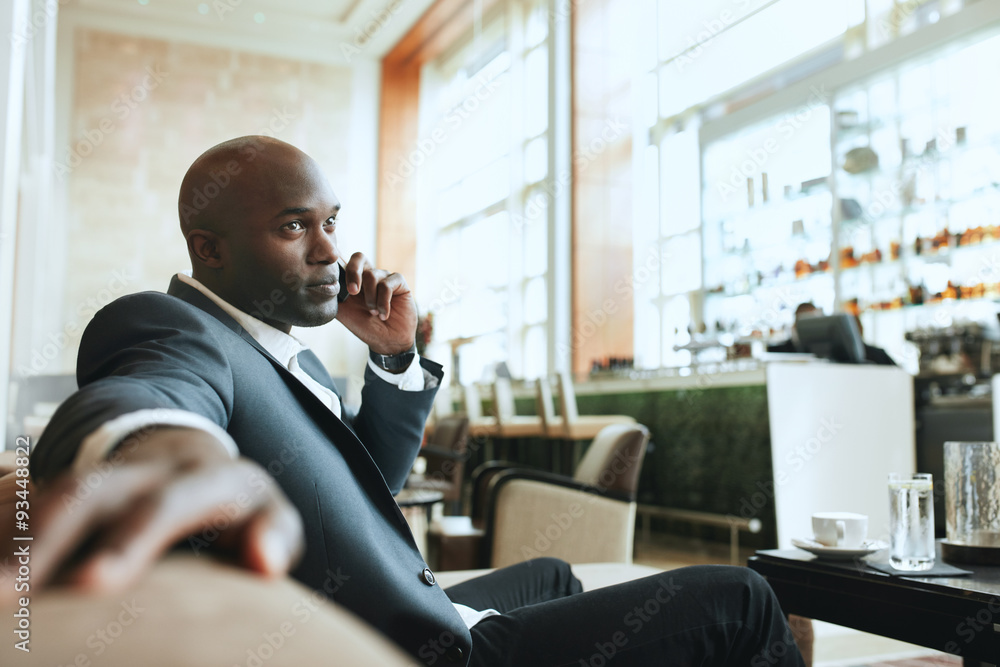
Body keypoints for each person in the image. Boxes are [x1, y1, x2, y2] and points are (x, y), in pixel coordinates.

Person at [10, 136, 804, 666]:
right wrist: (161, 456)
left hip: (398, 597)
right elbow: (149, 398)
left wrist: (392, 356)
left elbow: (371, 482)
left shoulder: (294, 357)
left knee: (554, 571)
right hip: (415, 646)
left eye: (331, 222)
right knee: (741, 597)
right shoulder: (176, 326)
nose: (328, 251)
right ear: (209, 249)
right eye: (294, 227)